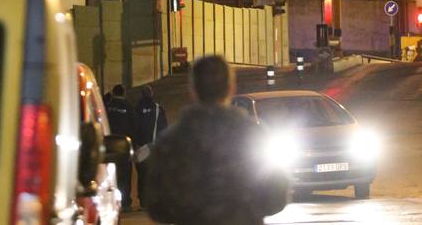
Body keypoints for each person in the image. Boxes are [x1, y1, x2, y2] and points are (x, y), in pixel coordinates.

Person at [145, 55, 287, 225]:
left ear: (193, 89)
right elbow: (276, 195)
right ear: (231, 88)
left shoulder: (172, 141)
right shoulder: (253, 136)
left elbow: (156, 204)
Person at [133, 85, 167, 208]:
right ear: (151, 94)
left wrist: (135, 144)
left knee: (142, 175)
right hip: (154, 147)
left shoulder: (135, 110)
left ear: (141, 95)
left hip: (140, 148)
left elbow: (133, 128)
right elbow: (164, 129)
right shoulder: (158, 109)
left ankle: (142, 200)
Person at [105, 83, 134, 211]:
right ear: (123, 93)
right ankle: (125, 201)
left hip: (108, 147)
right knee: (125, 175)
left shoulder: (108, 107)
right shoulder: (128, 107)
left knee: (111, 175)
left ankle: (112, 202)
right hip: (123, 147)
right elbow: (134, 126)